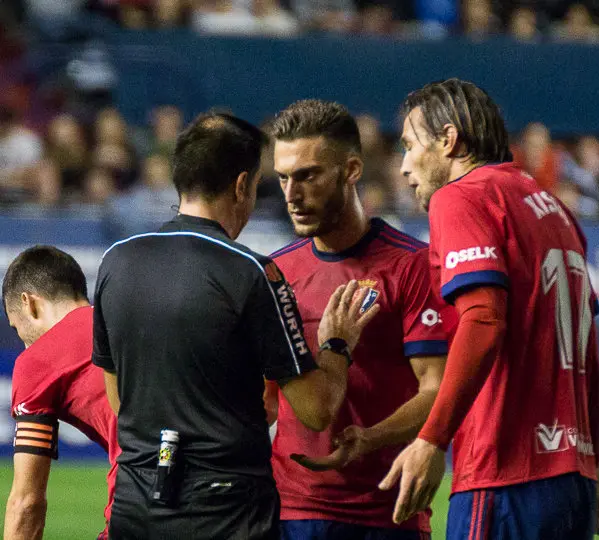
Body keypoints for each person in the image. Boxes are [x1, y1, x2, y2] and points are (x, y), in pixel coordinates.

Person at [92, 112, 380, 539]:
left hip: (137, 502)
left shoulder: (116, 261)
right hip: (225, 510)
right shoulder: (253, 273)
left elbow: (119, 400)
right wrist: (337, 345)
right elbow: (316, 410)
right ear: (242, 185)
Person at [379, 79, 599, 539]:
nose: (405, 166)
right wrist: (594, 458)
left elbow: (484, 319)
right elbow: (587, 355)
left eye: (410, 146)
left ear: (448, 141)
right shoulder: (556, 212)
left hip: (505, 473)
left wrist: (431, 438)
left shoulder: (461, 197)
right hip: (575, 482)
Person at [261, 99, 452, 540]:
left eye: (308, 175)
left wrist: (371, 438)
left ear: (350, 170)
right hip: (291, 512)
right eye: (284, 177)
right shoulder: (274, 274)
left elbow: (437, 388)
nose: (292, 194)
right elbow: (264, 400)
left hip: (386, 512)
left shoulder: (411, 267)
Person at [2, 246, 119, 540]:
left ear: (29, 303)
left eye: (18, 330)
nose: (26, 344)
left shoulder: (37, 360)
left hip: (147, 499)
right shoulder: (122, 324)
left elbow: (26, 503)